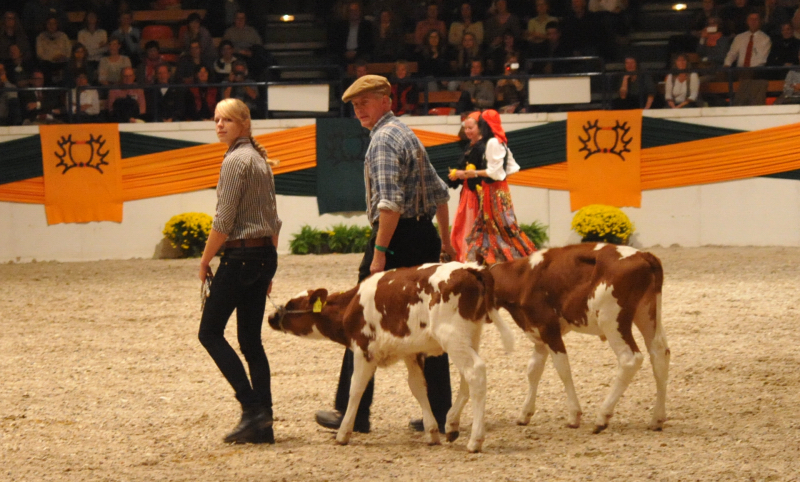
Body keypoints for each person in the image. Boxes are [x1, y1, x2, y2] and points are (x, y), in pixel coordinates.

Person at [314, 74, 456, 435]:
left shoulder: (382, 140)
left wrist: (379, 256)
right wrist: (445, 241)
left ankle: (353, 413)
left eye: (365, 102)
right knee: (431, 323)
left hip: (396, 240)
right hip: (423, 237)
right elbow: (440, 193)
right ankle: (439, 411)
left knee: (359, 321)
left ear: (385, 101)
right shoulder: (406, 133)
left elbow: (390, 204)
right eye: (355, 105)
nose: (359, 110)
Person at [197, 97, 281, 445]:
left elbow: (224, 219)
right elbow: (274, 219)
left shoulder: (235, 161)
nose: (220, 125)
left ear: (243, 124)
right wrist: (269, 266)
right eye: (217, 119)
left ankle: (252, 408)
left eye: (227, 120)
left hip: (241, 256)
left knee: (209, 333)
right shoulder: (259, 160)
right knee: (250, 341)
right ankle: (264, 422)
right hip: (262, 255)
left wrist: (205, 260)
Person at [457, 109, 536, 264]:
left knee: (497, 227)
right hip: (500, 190)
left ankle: (515, 260)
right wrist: (500, 180)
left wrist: (474, 173)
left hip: (493, 191)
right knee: (502, 226)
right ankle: (509, 260)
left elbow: (494, 172)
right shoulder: (500, 141)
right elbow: (512, 167)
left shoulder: (493, 142)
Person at [446, 112, 483, 261]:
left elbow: (482, 172)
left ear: (480, 127)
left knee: (471, 226)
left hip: (477, 193)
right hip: (467, 192)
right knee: (462, 226)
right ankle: (463, 257)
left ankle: (470, 258)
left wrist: (462, 174)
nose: (467, 131)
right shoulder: (470, 146)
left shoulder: (483, 146)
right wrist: (456, 176)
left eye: (470, 128)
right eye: (465, 128)